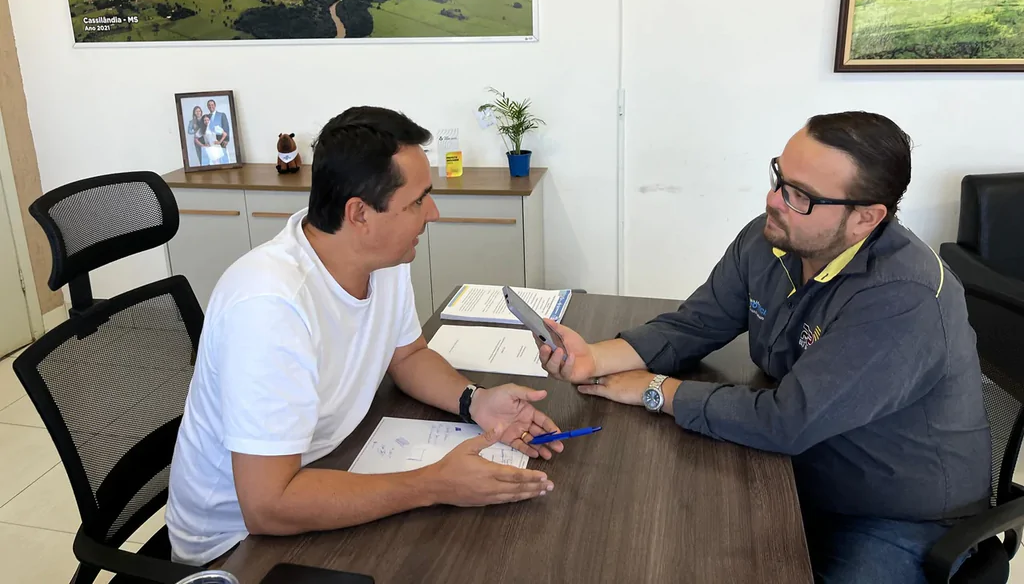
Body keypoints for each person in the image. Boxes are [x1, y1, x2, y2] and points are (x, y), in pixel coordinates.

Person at [537, 112, 991, 584]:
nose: (774, 200)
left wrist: (655, 390)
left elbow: (785, 420)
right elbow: (698, 322)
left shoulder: (902, 296)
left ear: (866, 218)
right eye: (780, 179)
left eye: (801, 196)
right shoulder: (771, 237)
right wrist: (593, 358)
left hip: (893, 511)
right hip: (796, 471)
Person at [166, 106, 563, 567]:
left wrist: (474, 400)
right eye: (418, 201)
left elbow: (408, 354)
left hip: (326, 465)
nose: (432, 213)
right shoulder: (269, 306)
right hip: (235, 548)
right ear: (359, 214)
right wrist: (433, 484)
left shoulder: (382, 258)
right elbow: (268, 504)